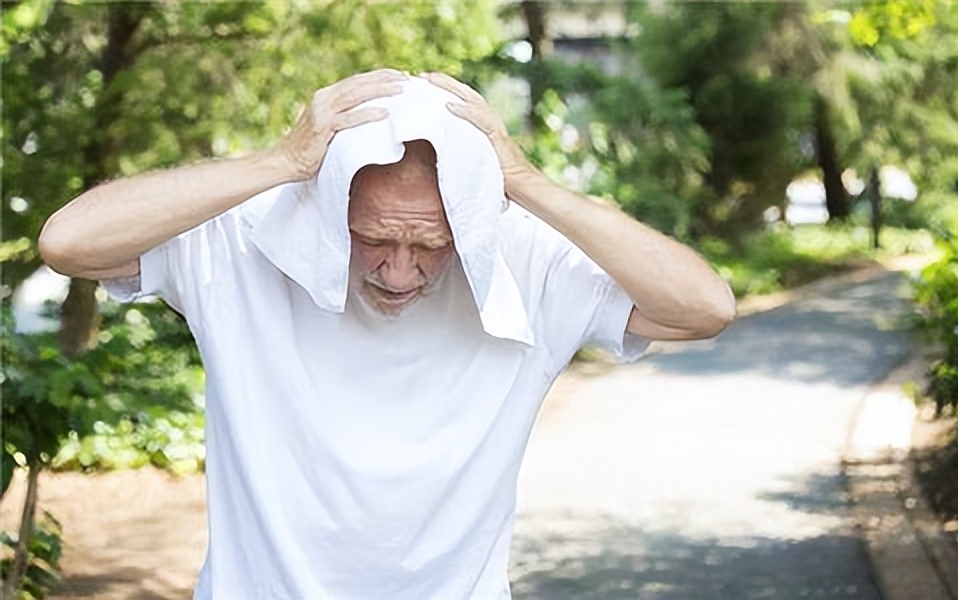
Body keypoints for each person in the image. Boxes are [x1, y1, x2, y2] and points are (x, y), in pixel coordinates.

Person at [38, 69, 735, 599]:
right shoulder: (245, 244)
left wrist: (523, 180)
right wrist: (279, 163)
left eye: (432, 243)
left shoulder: (525, 262)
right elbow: (70, 242)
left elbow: (704, 308)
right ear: (325, 205)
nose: (400, 272)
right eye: (371, 237)